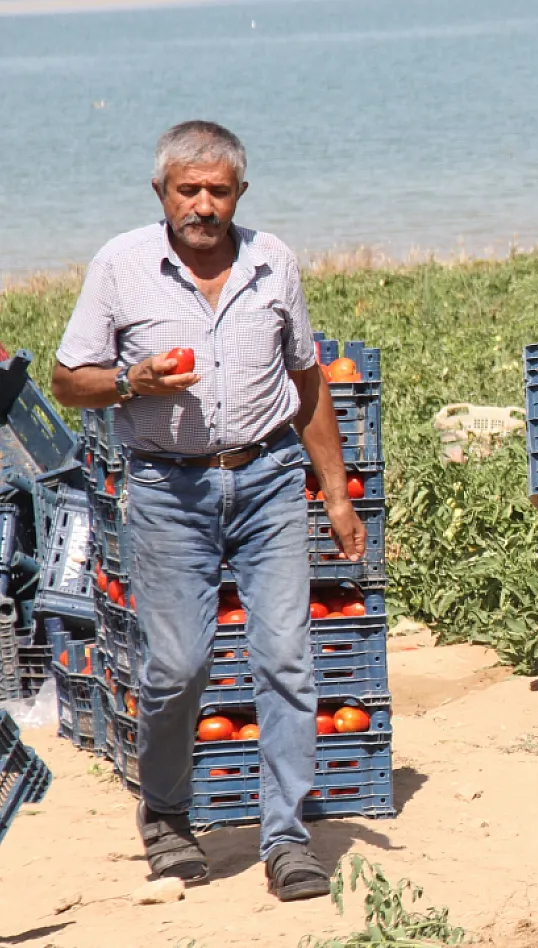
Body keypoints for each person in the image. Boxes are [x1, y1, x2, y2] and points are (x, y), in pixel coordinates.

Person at [52, 121, 366, 902]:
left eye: (218, 191)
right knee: (177, 669)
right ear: (161, 192)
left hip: (266, 479)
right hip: (168, 490)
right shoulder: (121, 266)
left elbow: (308, 383)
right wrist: (132, 384)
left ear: (240, 195)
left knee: (287, 660)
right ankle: (165, 815)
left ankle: (287, 837)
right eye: (188, 189)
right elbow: (67, 379)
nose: (203, 204)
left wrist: (332, 491)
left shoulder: (274, 262)